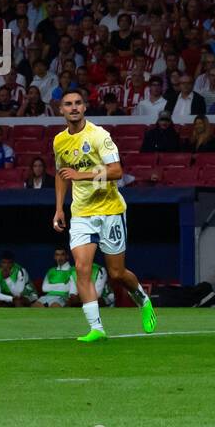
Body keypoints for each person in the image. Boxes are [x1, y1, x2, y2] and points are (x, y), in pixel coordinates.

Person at [52, 89, 157, 341]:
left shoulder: (100, 136)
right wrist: (58, 208)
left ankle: (143, 300)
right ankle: (96, 328)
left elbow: (116, 171)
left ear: (85, 107)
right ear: (61, 110)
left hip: (110, 210)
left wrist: (83, 175)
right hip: (81, 213)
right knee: (82, 268)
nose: (73, 107)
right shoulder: (59, 141)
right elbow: (61, 172)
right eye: (68, 104)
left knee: (116, 274)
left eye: (78, 103)